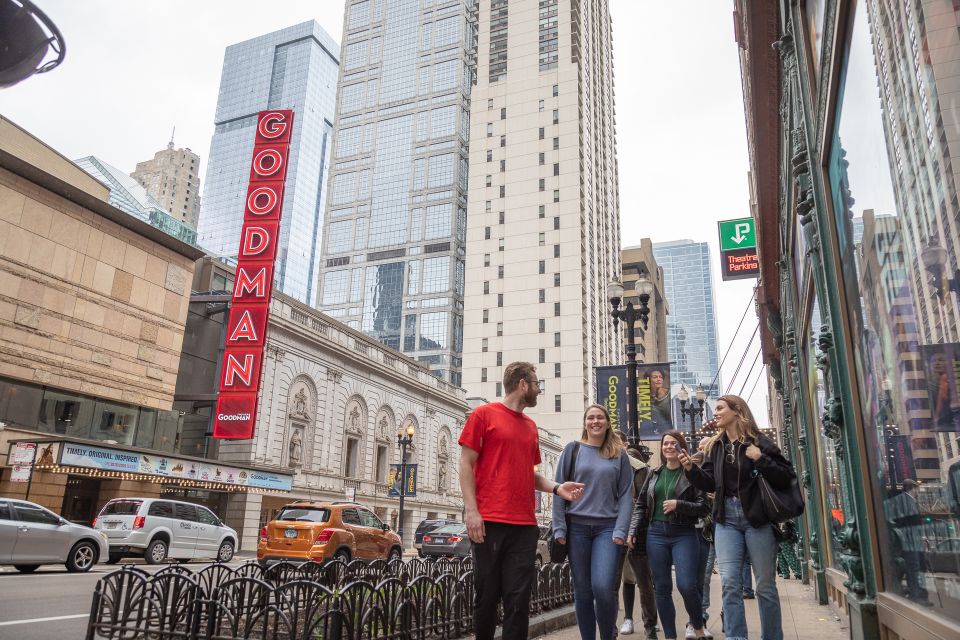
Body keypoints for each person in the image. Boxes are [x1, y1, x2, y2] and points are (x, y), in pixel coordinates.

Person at [459, 362, 585, 640]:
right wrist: (472, 512)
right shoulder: (483, 415)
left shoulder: (530, 427)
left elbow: (529, 474)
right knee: (486, 598)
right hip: (489, 522)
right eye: (537, 384)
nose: (539, 390)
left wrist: (557, 487)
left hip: (525, 526)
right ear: (523, 384)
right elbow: (465, 464)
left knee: (518, 602)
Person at [678, 394, 794, 640]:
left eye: (720, 408)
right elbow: (710, 483)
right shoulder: (716, 447)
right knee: (730, 584)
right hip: (726, 520)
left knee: (764, 585)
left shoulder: (759, 442)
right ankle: (735, 636)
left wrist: (760, 459)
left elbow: (785, 476)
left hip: (757, 519)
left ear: (737, 410)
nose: (715, 413)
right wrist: (691, 470)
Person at [553, 405, 634, 640]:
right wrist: (559, 527)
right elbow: (560, 489)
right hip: (576, 528)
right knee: (583, 591)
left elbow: (626, 494)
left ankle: (607, 635)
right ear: (585, 422)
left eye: (600, 417)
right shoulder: (573, 450)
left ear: (608, 423)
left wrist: (621, 529)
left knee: (603, 587)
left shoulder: (620, 455)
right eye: (590, 417)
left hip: (607, 529)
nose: (595, 421)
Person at [629, 431, 710, 640]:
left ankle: (698, 626)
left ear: (682, 447)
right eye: (665, 443)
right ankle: (671, 637)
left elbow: (704, 507)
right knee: (662, 588)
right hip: (656, 534)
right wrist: (633, 531)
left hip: (683, 533)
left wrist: (679, 505)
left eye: (674, 443)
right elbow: (640, 505)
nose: (669, 447)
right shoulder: (654, 473)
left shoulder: (691, 473)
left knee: (686, 585)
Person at [616, 433, 659, 639]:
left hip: (636, 531)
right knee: (621, 580)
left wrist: (638, 528)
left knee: (643, 579)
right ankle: (624, 621)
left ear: (625, 444)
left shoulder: (640, 469)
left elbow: (645, 503)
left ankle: (650, 625)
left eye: (618, 442)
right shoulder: (604, 464)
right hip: (612, 529)